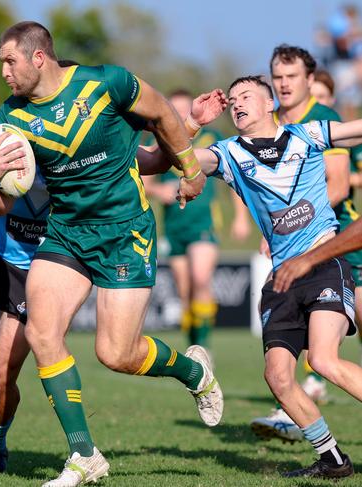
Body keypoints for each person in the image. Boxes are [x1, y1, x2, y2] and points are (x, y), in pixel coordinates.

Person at [0, 85, 228, 476]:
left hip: (40, 262)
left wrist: (191, 123)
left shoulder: (84, 145)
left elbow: (153, 160)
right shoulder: (6, 127)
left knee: (0, 373)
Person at [0, 21, 225, 487]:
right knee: (43, 333)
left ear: (38, 57)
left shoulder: (108, 82)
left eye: (10, 60)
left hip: (125, 232)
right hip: (65, 232)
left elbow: (165, 114)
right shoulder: (10, 119)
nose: (3, 71)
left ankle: (193, 371)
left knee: (116, 353)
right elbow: (0, 205)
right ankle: (84, 456)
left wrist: (190, 167)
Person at [187, 75, 362, 479]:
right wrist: (192, 125)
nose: (236, 103)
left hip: (323, 263)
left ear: (269, 105)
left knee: (322, 358)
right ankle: (333, 459)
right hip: (282, 275)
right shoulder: (228, 153)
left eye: (246, 96)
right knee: (277, 377)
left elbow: (354, 131)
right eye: (232, 100)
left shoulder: (309, 135)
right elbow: (181, 159)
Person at [250, 45, 362, 442]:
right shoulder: (269, 123)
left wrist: (288, 222)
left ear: (309, 80)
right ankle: (297, 410)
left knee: (331, 351)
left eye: (291, 76)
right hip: (299, 254)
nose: (283, 84)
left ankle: (305, 398)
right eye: (277, 76)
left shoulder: (324, 119)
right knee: (314, 351)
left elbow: (336, 186)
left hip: (343, 244)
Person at [142, 89, 250, 348]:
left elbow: (233, 179)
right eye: (174, 110)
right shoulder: (159, 139)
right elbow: (144, 183)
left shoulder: (213, 137)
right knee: (185, 293)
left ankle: (204, 348)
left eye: (184, 109)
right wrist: (160, 191)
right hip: (174, 226)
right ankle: (194, 348)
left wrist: (241, 218)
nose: (180, 114)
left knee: (201, 279)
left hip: (204, 224)